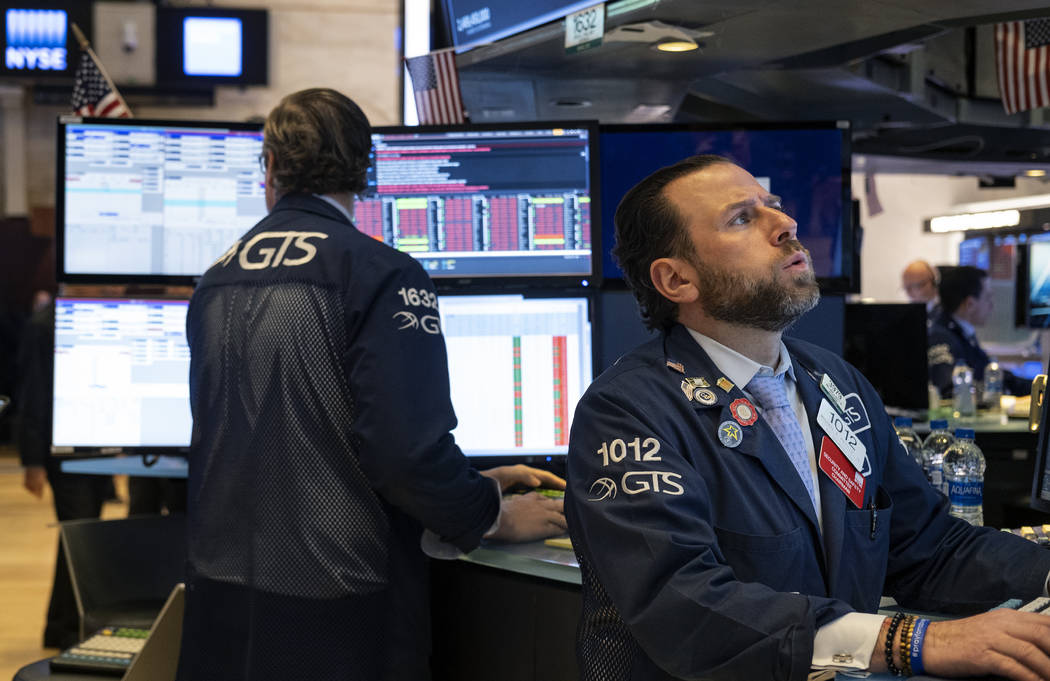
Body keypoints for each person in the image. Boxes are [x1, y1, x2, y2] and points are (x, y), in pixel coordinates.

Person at [565, 154, 1050, 681]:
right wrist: (910, 640)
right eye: (742, 218)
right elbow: (683, 604)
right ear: (677, 279)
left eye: (773, 206)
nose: (786, 224)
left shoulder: (835, 383)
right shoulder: (628, 411)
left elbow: (929, 547)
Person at [176, 89, 566, 681]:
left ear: (272, 168)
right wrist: (486, 512)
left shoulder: (216, 280)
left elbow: (282, 449)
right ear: (367, 169)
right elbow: (405, 454)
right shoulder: (381, 273)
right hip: (338, 614)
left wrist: (467, 483)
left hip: (224, 607)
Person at [16, 292, 111, 649]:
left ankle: (62, 626)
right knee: (80, 540)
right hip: (65, 452)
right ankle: (69, 629)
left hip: (98, 443)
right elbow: (33, 395)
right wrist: (33, 461)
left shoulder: (96, 318)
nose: (115, 290)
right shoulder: (46, 325)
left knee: (78, 540)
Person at [927, 265, 1030, 398]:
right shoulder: (941, 337)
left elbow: (993, 375)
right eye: (988, 298)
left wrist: (1039, 385)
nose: (992, 305)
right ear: (970, 304)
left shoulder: (962, 332)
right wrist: (996, 395)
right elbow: (950, 390)